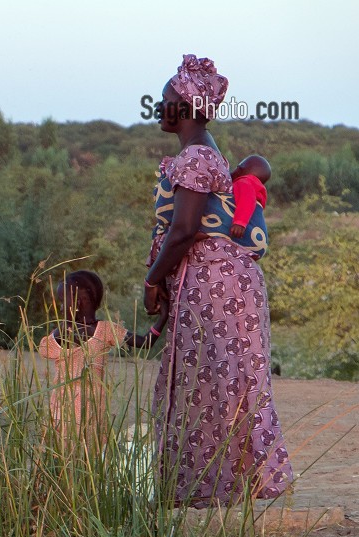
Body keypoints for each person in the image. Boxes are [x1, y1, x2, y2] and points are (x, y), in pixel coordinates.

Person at [144, 55, 292, 507]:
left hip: (217, 282)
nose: (159, 107)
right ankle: (211, 491)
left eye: (166, 100)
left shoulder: (196, 158)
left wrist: (153, 279)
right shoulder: (203, 153)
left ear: (186, 106)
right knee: (214, 384)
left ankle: (227, 489)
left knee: (223, 384)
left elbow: (184, 229)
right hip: (215, 280)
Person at [38, 271, 130, 445]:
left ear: (79, 302)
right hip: (67, 402)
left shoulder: (99, 330)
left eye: (63, 302)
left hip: (86, 404)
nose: (61, 307)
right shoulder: (67, 332)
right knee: (68, 447)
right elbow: (45, 349)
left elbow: (45, 349)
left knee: (81, 447)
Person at [228, 154, 270, 244]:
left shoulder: (244, 182)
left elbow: (247, 200)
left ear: (240, 169)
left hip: (241, 230)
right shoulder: (255, 188)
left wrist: (240, 222)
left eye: (236, 168)